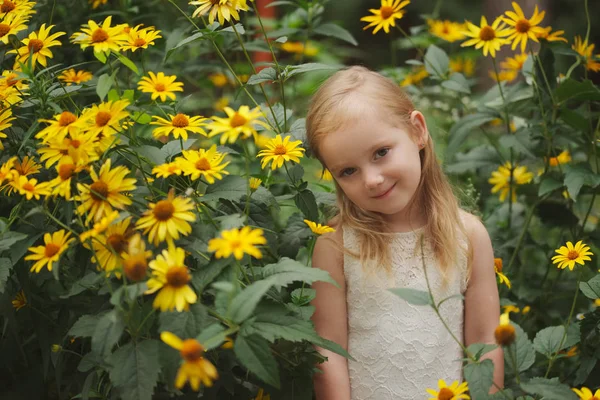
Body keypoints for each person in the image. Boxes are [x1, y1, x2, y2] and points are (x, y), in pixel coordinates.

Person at [305, 66, 504, 400]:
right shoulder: (336, 246)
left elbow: (485, 341)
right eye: (348, 171)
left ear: (417, 130)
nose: (371, 179)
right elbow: (329, 352)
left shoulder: (467, 235)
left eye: (381, 152)